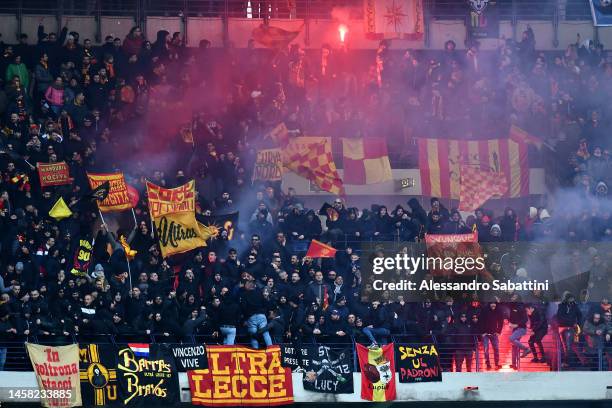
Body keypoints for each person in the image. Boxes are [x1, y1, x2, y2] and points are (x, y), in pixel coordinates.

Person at [240, 280, 272, 348]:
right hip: (261, 315)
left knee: (253, 335)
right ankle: (272, 350)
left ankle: (255, 353)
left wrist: (245, 318)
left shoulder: (244, 294)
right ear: (254, 285)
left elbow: (243, 307)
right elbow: (265, 304)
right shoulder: (260, 293)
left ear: (249, 285)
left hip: (251, 317)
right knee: (265, 333)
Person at [481, 302, 503, 370]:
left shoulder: (498, 311)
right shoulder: (485, 310)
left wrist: (498, 332)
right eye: (492, 303)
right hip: (486, 335)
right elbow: (481, 321)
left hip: (494, 334)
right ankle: (488, 364)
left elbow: (501, 322)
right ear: (489, 304)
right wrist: (483, 332)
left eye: (494, 303)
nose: (493, 305)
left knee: (496, 349)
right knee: (486, 350)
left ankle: (497, 364)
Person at [509, 301, 530, 369]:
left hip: (521, 328)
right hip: (516, 329)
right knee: (514, 346)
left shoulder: (521, 308)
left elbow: (525, 319)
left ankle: (526, 349)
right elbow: (512, 319)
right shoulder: (512, 308)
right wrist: (509, 322)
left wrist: (516, 324)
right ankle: (514, 364)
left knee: (511, 339)